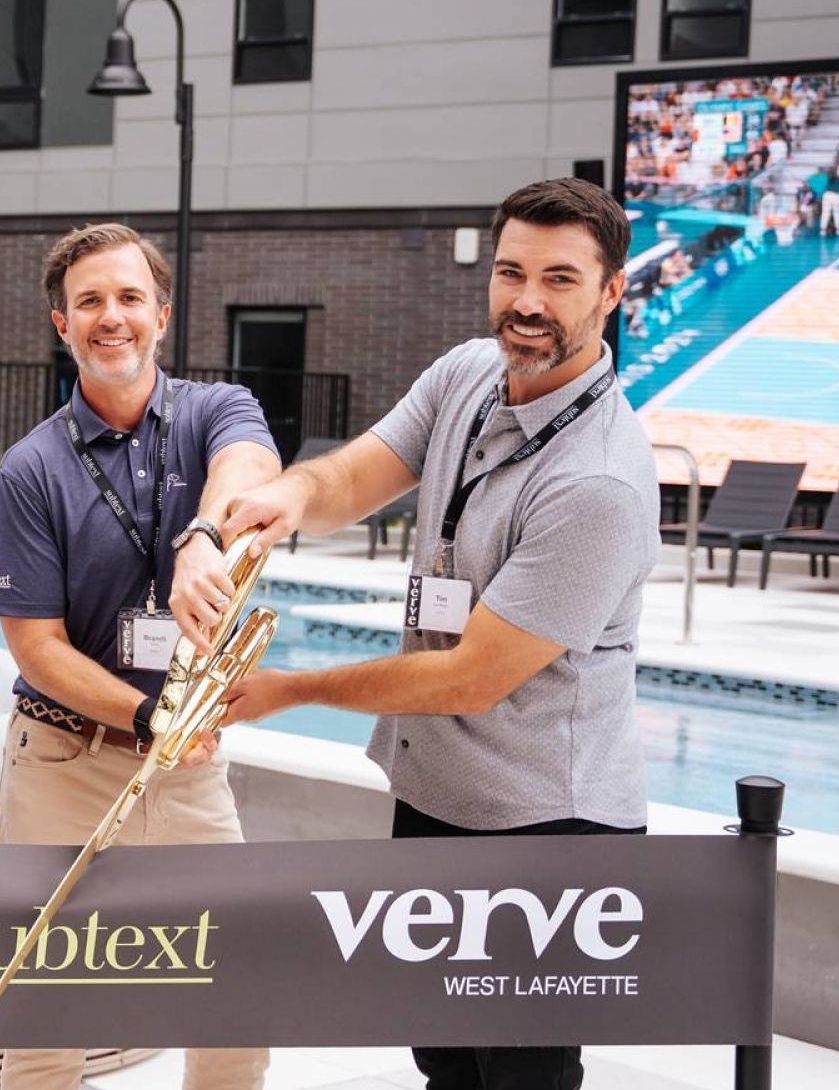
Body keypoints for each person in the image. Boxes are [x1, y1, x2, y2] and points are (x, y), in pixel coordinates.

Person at [213, 178, 657, 1090]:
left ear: (613, 293)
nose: (527, 303)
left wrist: (292, 689)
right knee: (443, 1058)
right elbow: (354, 477)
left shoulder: (599, 482)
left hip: (549, 825)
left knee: (520, 1075)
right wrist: (287, 498)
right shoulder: (466, 375)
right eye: (510, 272)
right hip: (443, 795)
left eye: (561, 280)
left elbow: (470, 679)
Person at [0, 223, 281, 1090]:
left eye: (126, 298)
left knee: (232, 1003)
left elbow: (251, 466)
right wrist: (152, 716)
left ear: (160, 312)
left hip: (191, 776)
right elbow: (36, 647)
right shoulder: (31, 468)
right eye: (88, 303)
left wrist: (203, 534)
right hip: (63, 762)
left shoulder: (217, 408)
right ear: (61, 324)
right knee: (46, 1020)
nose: (109, 317)